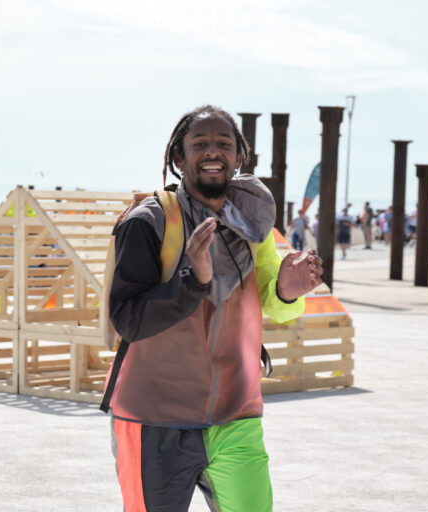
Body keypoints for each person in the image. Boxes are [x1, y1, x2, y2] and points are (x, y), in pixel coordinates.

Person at [106, 105, 322, 512]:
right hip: (154, 419)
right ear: (178, 158)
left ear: (239, 157)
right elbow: (128, 319)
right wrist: (194, 281)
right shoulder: (146, 222)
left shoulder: (251, 224)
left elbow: (275, 303)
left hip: (235, 413)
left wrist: (289, 290)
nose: (213, 152)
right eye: (200, 143)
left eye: (224, 144)